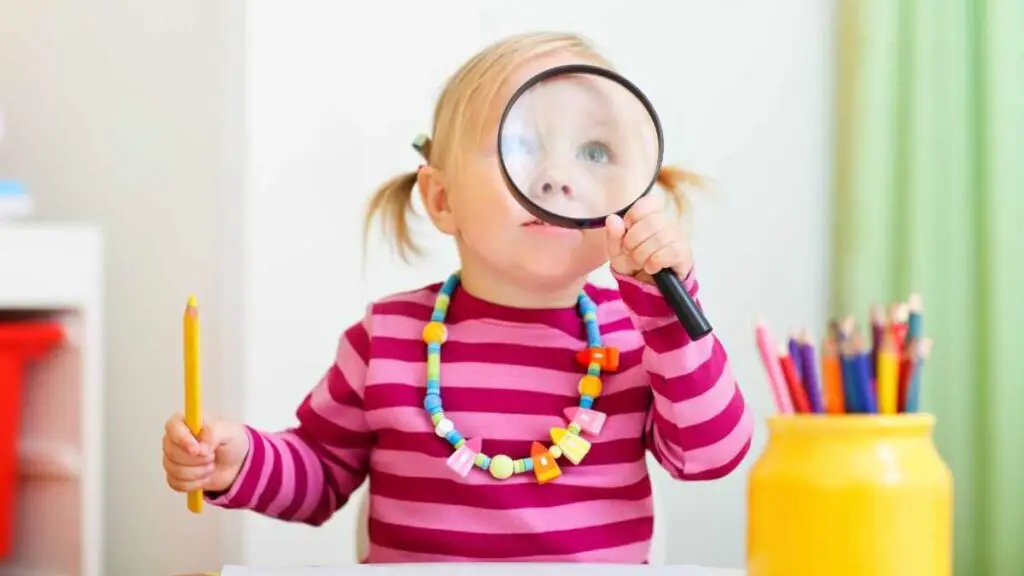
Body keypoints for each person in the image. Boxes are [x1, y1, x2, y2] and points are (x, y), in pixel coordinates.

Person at [162, 31, 753, 564]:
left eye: (594, 152)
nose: (555, 177)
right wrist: (237, 461)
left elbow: (711, 456)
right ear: (442, 199)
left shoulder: (638, 339)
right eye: (520, 146)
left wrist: (667, 316)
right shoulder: (387, 337)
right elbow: (319, 474)